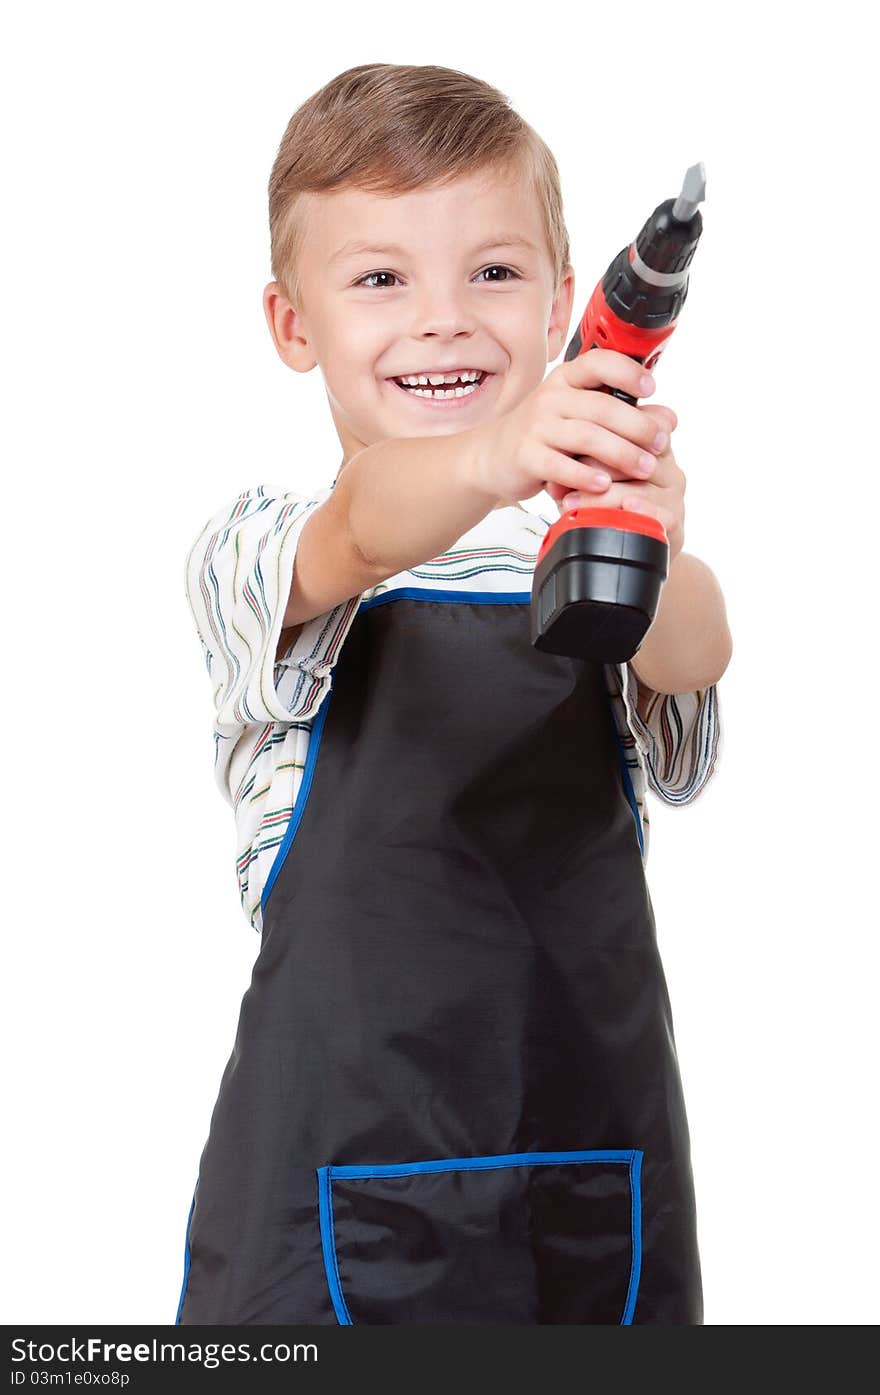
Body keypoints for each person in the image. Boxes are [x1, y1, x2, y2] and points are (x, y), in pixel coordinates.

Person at [176, 62, 731, 1326]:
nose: (444, 320)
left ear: (561, 305)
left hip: (597, 1177)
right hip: (332, 1198)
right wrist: (497, 453)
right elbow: (364, 528)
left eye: (492, 272)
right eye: (380, 279)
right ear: (291, 324)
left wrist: (644, 541)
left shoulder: (587, 564)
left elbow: (693, 652)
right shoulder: (264, 549)